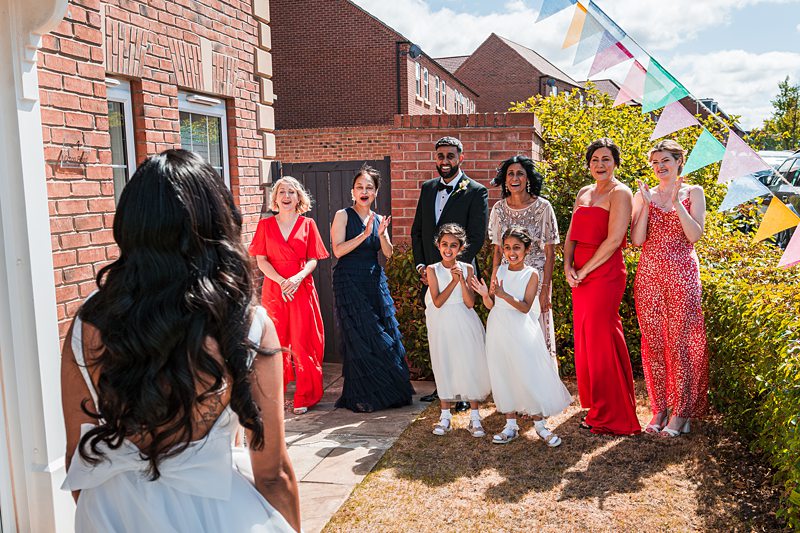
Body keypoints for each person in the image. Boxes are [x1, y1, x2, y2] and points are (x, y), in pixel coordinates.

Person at [60, 149, 300, 532]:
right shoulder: (245, 322)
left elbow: (77, 453)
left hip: (110, 515)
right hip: (214, 516)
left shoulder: (90, 321)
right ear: (217, 221)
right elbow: (272, 474)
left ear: (131, 224)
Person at [563, 138, 641, 436]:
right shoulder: (584, 192)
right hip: (579, 274)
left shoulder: (621, 193)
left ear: (616, 162)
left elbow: (613, 241)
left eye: (606, 159)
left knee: (601, 337)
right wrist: (568, 266)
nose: (600, 165)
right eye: (595, 159)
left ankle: (611, 412)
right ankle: (596, 402)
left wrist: (584, 270)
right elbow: (571, 232)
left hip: (604, 272)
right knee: (587, 338)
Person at [632, 139, 709, 437]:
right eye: (654, 162)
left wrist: (676, 203)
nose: (659, 167)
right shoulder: (646, 196)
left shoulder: (694, 192)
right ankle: (660, 408)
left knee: (680, 344)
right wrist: (648, 206)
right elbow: (637, 240)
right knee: (653, 343)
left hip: (682, 274)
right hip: (649, 274)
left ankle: (681, 413)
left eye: (665, 160)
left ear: (679, 161)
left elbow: (694, 235)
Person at [472, 227, 572, 446]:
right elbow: (492, 304)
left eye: (516, 247)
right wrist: (484, 295)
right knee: (504, 373)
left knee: (527, 373)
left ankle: (540, 425)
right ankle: (510, 425)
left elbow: (525, 307)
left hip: (521, 329)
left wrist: (503, 294)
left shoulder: (532, 274)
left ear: (527, 249)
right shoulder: (499, 271)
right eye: (507, 248)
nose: (511, 252)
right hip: (498, 326)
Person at [411, 136, 489, 405]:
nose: (445, 162)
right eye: (440, 156)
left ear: (461, 158)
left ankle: (464, 392)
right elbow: (418, 231)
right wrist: (423, 265)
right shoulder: (427, 188)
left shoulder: (475, 191)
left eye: (450, 156)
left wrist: (453, 267)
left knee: (461, 337)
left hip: (459, 274)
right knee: (438, 335)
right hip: (431, 275)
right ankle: (443, 387)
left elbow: (477, 236)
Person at [331, 164, 415, 413]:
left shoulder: (379, 218)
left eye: (369, 187)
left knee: (384, 333)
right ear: (352, 191)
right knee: (361, 336)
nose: (364, 191)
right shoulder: (343, 215)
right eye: (360, 187)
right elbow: (337, 250)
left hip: (374, 280)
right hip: (349, 281)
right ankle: (362, 395)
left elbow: (388, 254)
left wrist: (381, 234)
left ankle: (389, 392)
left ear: (376, 192)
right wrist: (363, 234)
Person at [249, 176, 329, 415]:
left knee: (303, 341)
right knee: (275, 343)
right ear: (275, 198)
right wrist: (282, 281)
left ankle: (305, 395)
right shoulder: (265, 225)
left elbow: (314, 259)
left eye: (291, 192)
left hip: (301, 288)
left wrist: (296, 278)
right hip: (274, 290)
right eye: (281, 192)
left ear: (298, 198)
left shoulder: (308, 224)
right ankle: (276, 394)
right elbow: (261, 260)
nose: (286, 197)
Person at [488, 155, 559, 359]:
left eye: (520, 173)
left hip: (535, 279)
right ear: (505, 179)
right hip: (507, 277)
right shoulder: (498, 209)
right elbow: (497, 249)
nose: (515, 178)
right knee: (509, 328)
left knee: (535, 329)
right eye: (510, 174)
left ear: (528, 178)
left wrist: (545, 289)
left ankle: (539, 381)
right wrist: (494, 278)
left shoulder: (543, 207)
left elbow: (550, 252)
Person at [425, 223, 492, 438]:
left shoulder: (468, 268)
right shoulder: (432, 269)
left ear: (460, 248)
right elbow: (437, 301)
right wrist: (453, 282)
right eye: (444, 244)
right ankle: (445, 417)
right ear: (438, 245)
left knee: (468, 365)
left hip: (464, 322)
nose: (448, 249)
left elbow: (470, 303)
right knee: (443, 363)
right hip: (442, 323)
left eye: (453, 245)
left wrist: (461, 279)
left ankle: (475, 418)